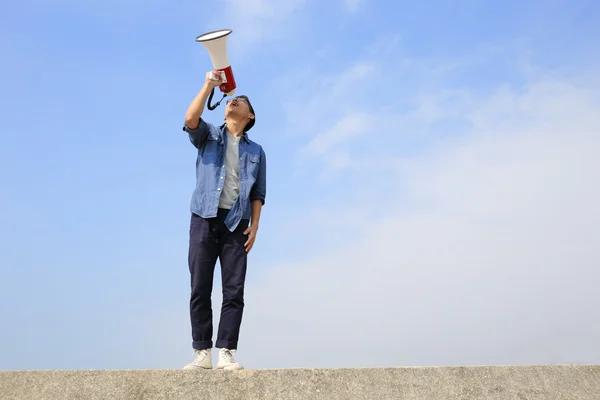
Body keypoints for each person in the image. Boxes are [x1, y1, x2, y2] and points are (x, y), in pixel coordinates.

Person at [181, 70, 267, 371]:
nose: (234, 101)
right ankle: (201, 351)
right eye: (231, 99)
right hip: (203, 218)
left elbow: (258, 192)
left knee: (234, 290)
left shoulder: (256, 151)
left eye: (240, 100)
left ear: (250, 115)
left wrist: (254, 225)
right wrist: (208, 85)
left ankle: (226, 350)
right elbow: (190, 119)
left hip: (235, 223)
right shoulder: (209, 135)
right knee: (200, 287)